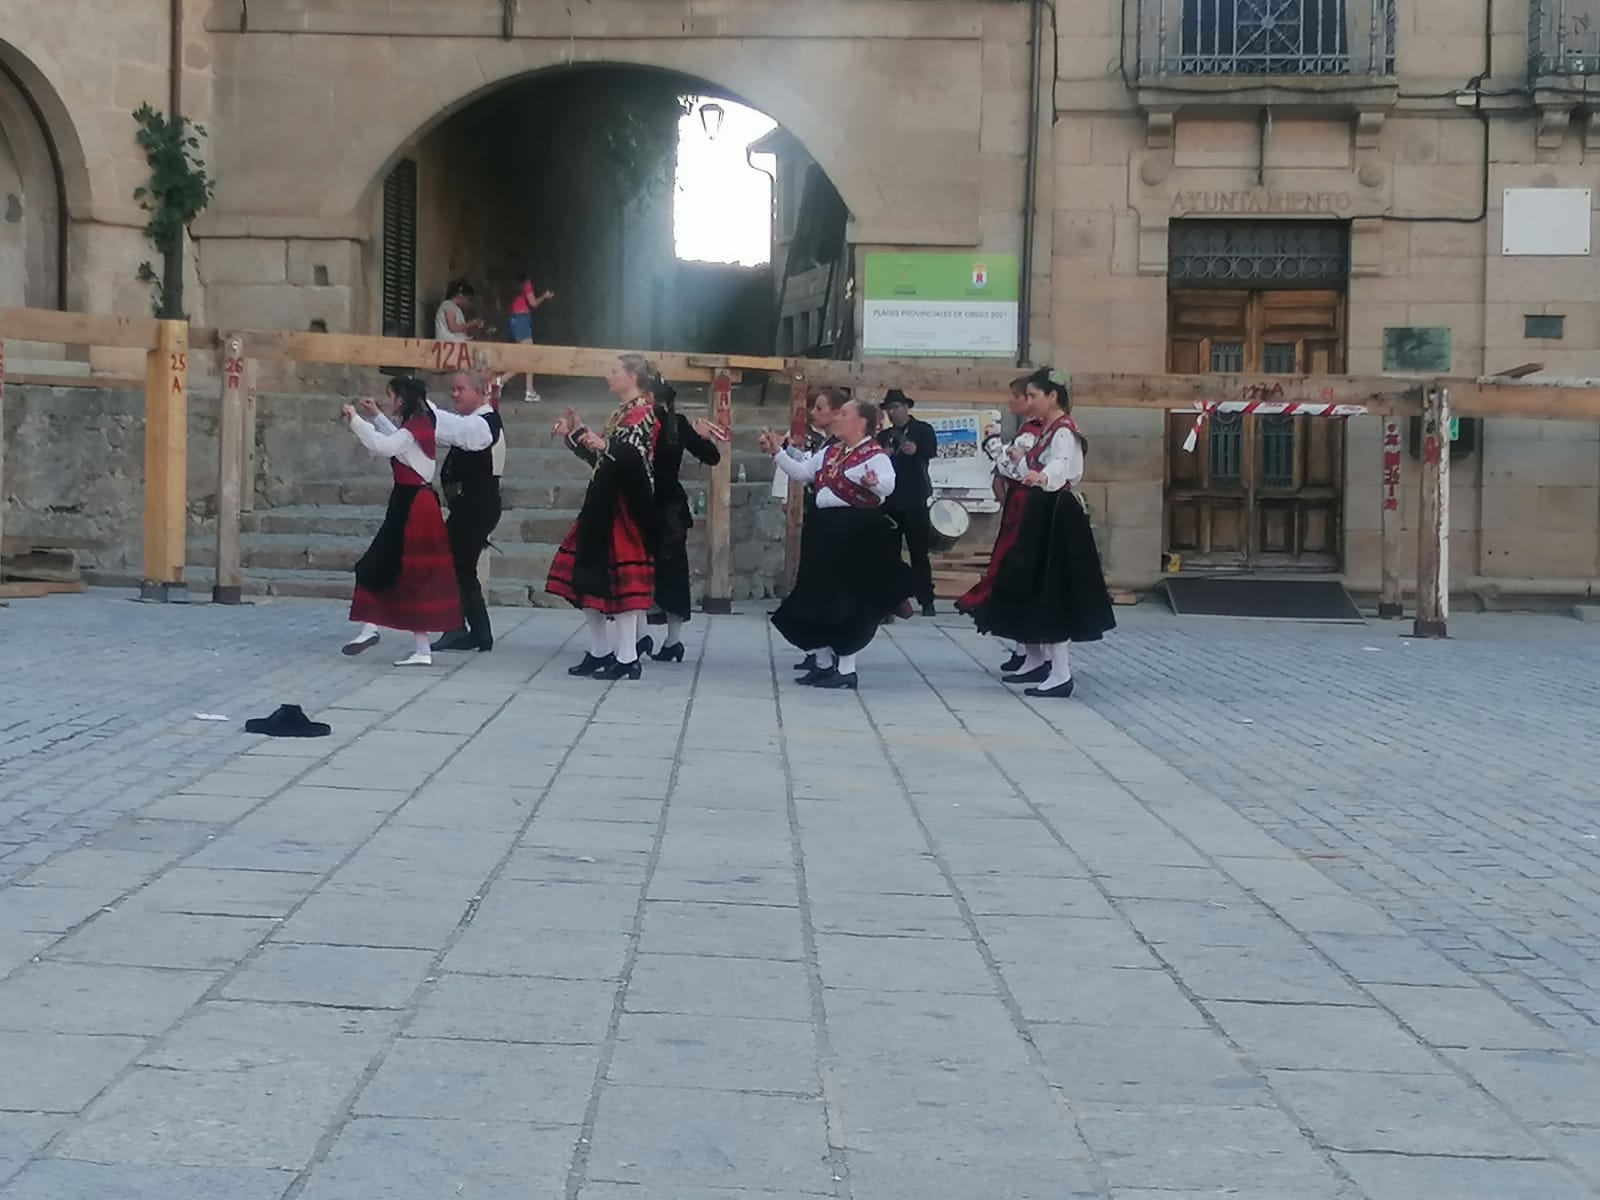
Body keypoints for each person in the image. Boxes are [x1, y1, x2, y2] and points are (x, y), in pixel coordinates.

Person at [961, 367, 1115, 699]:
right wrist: (1022, 463)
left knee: (1052, 588)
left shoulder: (1063, 430)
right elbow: (1034, 466)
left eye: (1033, 396)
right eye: (1027, 396)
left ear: (1052, 396)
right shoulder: (1047, 430)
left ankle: (1060, 672)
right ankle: (1043, 664)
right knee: (1035, 585)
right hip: (1041, 509)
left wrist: (1040, 476)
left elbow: (1060, 466)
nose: (1029, 402)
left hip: (1055, 511)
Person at [764, 397, 913, 691]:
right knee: (815, 594)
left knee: (847, 599)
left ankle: (846, 668)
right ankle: (822, 664)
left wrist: (873, 483)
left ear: (861, 423)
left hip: (855, 532)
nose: (837, 418)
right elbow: (803, 473)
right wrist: (777, 453)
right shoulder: (831, 452)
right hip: (824, 529)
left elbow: (888, 484)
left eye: (844, 413)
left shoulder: (874, 455)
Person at [546, 354, 661, 681]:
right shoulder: (622, 413)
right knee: (588, 578)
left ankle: (627, 656)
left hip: (624, 506)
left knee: (622, 584)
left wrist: (604, 443)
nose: (608, 377)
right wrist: (576, 434)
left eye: (614, 372)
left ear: (633, 376)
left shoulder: (643, 413)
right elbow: (603, 458)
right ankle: (600, 651)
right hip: (603, 501)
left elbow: (635, 460)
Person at [339, 377, 461, 667]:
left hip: (412, 507)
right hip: (414, 503)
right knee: (404, 572)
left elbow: (386, 445)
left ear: (402, 400)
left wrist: (356, 420)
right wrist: (376, 416)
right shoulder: (418, 424)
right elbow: (400, 443)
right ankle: (413, 645)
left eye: (391, 396)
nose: (389, 401)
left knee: (393, 568)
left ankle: (377, 630)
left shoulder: (413, 428)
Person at [640, 376, 729, 662]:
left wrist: (699, 434)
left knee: (654, 571)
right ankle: (658, 638)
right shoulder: (666, 423)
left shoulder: (660, 423)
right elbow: (711, 456)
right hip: (658, 505)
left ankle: (656, 637)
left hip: (657, 506)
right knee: (657, 572)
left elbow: (712, 457)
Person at [958, 376, 1042, 673]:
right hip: (1019, 505)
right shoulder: (1031, 430)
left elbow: (1018, 470)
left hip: (1028, 506)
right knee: (1013, 571)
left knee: (1018, 570)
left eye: (1020, 396)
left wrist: (994, 446)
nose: (1013, 401)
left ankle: (1034, 653)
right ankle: (1025, 649)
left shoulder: (1037, 431)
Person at [427, 370, 505, 654]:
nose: (454, 394)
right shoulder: (474, 423)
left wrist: (426, 408)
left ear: (479, 391)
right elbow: (447, 431)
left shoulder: (485, 425)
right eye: (453, 389)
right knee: (460, 568)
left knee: (454, 566)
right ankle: (476, 632)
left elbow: (457, 431)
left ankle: (458, 628)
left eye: (461, 389)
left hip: (476, 507)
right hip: (468, 507)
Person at [878, 388, 940, 617]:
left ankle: (926, 599)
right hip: (890, 501)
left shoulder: (922, 430)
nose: (892, 413)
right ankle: (895, 600)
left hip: (914, 499)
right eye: (889, 409)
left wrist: (917, 450)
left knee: (919, 553)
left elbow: (931, 451)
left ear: (906, 408)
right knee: (890, 554)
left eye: (895, 407)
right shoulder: (884, 436)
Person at [506, 269, 555, 403]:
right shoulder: (526, 285)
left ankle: (525, 388)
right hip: (522, 320)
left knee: (525, 357)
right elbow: (533, 303)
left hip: (513, 321)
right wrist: (544, 296)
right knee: (529, 357)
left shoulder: (511, 289)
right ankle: (503, 383)